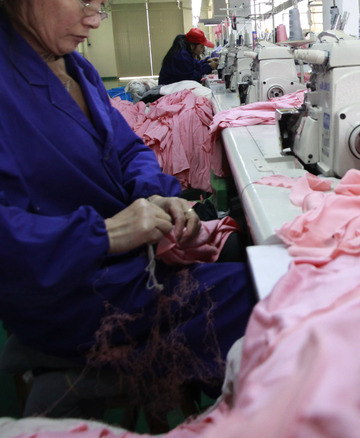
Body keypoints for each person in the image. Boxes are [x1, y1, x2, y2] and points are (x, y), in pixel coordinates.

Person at [0, 0, 257, 417]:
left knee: (244, 251)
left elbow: (126, 148)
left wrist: (153, 192)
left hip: (120, 267)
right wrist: (106, 233)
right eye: (84, 2)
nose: (94, 18)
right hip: (72, 291)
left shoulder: (76, 70)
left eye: (100, 6)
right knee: (268, 292)